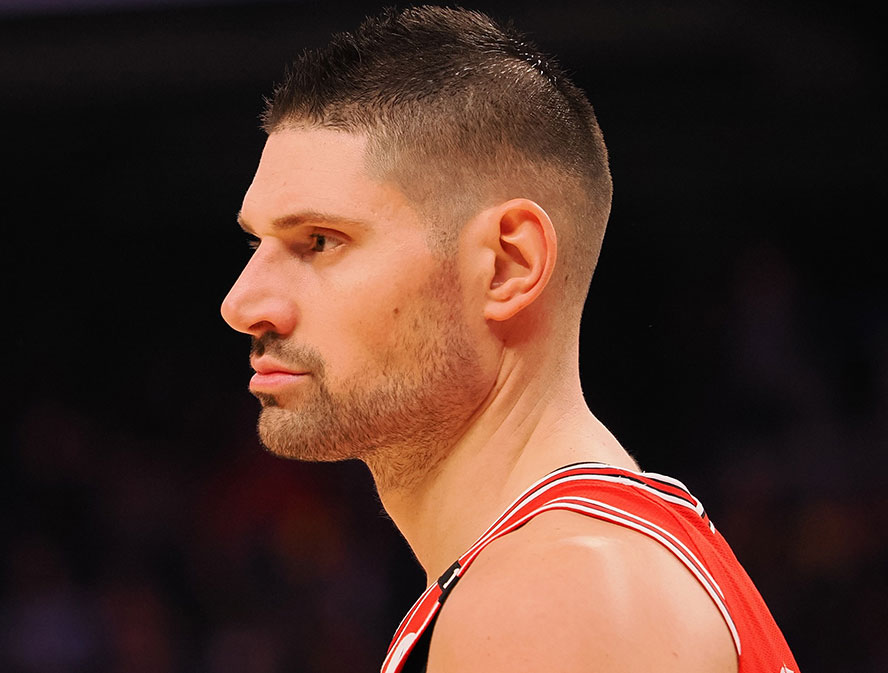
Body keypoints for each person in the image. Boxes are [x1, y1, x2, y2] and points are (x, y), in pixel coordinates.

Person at [220, 6, 797, 673]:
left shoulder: (554, 594)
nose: (242, 303)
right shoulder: (589, 558)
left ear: (506, 265)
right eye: (255, 243)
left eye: (318, 240)